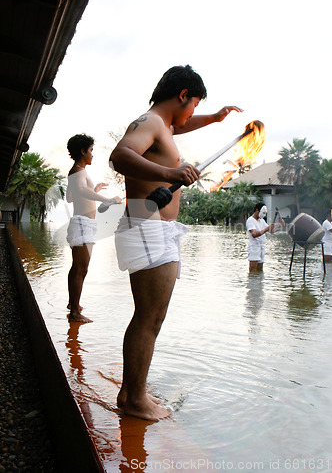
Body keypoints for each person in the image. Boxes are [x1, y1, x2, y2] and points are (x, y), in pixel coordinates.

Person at [110, 64, 243, 421]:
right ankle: (134, 398)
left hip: (155, 228)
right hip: (148, 225)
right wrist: (171, 173)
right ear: (183, 95)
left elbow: (179, 125)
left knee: (151, 316)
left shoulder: (163, 126)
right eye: (194, 105)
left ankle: (131, 391)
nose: (192, 115)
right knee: (149, 316)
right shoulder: (149, 122)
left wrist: (214, 119)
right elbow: (120, 156)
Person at [66, 134, 122, 323]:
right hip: (82, 224)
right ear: (83, 151)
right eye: (91, 150)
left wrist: (94, 190)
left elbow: (71, 197)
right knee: (80, 267)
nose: (92, 155)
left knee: (80, 267)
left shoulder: (76, 171)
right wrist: (108, 199)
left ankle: (73, 303)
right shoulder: (78, 171)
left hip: (84, 224)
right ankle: (74, 312)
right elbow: (80, 191)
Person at [246, 202, 281, 272]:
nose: (264, 215)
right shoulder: (250, 220)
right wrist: (266, 229)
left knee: (260, 269)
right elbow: (254, 234)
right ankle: (252, 282)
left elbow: (270, 231)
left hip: (262, 247)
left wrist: (279, 227)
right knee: (253, 269)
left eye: (265, 213)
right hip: (254, 248)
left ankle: (259, 282)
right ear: (257, 211)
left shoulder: (261, 221)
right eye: (263, 213)